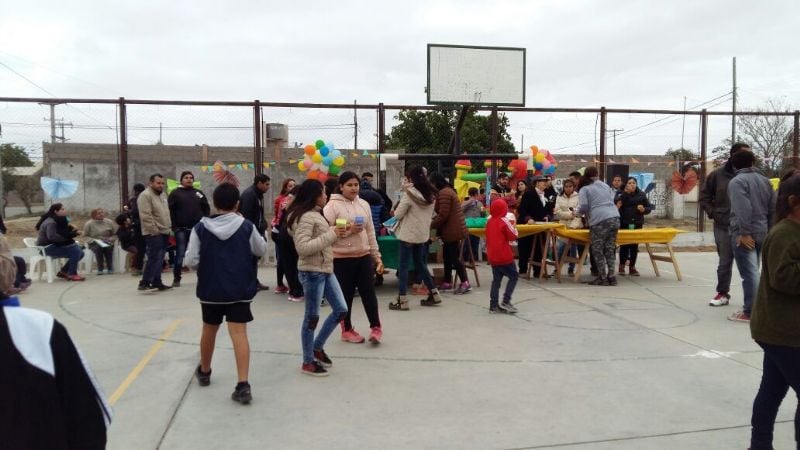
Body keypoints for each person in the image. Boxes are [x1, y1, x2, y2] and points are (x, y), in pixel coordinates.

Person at [0, 236, 111, 449]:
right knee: (76, 251)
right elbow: (88, 420)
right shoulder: (36, 329)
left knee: (77, 250)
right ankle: (69, 271)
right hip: (53, 248)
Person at [182, 183, 266, 403]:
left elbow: (191, 260)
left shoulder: (200, 227)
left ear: (214, 203)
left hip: (210, 289)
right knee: (239, 333)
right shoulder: (246, 226)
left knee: (209, 329)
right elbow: (261, 249)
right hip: (239, 288)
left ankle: (205, 371)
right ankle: (243, 385)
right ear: (237, 204)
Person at [747, 172, 800, 449]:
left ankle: (759, 445)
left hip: (783, 330)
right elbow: (784, 278)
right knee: (772, 391)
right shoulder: (783, 234)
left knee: (772, 389)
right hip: (782, 331)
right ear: (793, 202)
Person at [286, 179, 349, 376]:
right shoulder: (306, 217)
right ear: (315, 195)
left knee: (341, 309)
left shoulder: (315, 214)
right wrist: (331, 234)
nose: (326, 195)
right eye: (323, 192)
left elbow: (322, 241)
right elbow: (303, 248)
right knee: (312, 317)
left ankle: (317, 347)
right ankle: (308, 361)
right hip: (312, 272)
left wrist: (337, 233)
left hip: (325, 269)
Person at [323, 171, 384, 344]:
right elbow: (324, 232)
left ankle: (376, 327)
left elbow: (370, 231)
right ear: (341, 187)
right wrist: (349, 229)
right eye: (349, 185)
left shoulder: (364, 204)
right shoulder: (331, 206)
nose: (354, 188)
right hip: (341, 258)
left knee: (369, 293)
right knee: (345, 296)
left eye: (356, 184)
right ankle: (347, 330)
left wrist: (376, 256)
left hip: (363, 255)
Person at [699, 142, 752, 307]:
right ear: (733, 156)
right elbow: (704, 197)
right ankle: (722, 293)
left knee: (750, 264)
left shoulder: (754, 176)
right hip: (723, 225)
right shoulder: (717, 175)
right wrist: (713, 213)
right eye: (744, 154)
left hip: (747, 228)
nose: (749, 157)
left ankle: (753, 300)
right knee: (724, 262)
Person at [726, 150, 776, 322]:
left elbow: (743, 208)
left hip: (745, 233)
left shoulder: (737, 182)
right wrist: (770, 230)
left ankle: (751, 312)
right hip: (763, 230)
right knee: (756, 271)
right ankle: (759, 308)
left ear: (734, 165)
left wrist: (744, 233)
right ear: (753, 162)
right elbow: (772, 208)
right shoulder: (765, 180)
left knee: (750, 274)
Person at [390, 166, 443, 311]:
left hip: (408, 235)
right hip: (422, 235)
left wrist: (403, 192)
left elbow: (397, 215)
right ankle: (434, 293)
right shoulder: (431, 195)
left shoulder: (409, 195)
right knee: (420, 264)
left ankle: (402, 299)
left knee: (403, 266)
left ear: (411, 179)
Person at [577, 166, 620, 286]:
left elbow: (584, 206)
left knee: (597, 249)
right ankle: (612, 277)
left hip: (599, 220)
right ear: (597, 174)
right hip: (615, 217)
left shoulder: (585, 189)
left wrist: (576, 213)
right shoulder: (605, 186)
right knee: (610, 249)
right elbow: (611, 200)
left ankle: (602, 277)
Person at [430, 172, 471, 294]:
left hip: (452, 230)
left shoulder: (444, 193)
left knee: (454, 257)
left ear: (436, 183)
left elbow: (443, 214)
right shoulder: (446, 191)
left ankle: (465, 282)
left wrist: (431, 225)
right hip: (451, 229)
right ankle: (447, 282)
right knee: (447, 257)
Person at [168, 171, 210, 288]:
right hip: (181, 229)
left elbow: (206, 208)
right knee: (180, 254)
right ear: (181, 180)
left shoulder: (198, 193)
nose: (189, 179)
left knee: (201, 253)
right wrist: (174, 226)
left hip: (197, 229)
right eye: (186, 177)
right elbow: (170, 211)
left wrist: (205, 221)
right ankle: (176, 278)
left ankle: (203, 278)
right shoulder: (175, 193)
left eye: (191, 177)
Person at [137, 173, 172, 291]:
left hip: (164, 231)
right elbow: (146, 215)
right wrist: (154, 230)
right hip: (154, 233)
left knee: (160, 258)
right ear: (151, 183)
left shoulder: (163, 195)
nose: (161, 185)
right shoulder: (145, 195)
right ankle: (145, 282)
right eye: (158, 183)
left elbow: (165, 213)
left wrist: (168, 228)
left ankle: (157, 281)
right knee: (153, 257)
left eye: (162, 183)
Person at [35, 203, 86, 282]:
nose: (65, 210)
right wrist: (66, 240)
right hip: (46, 248)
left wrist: (70, 229)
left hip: (52, 245)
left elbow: (61, 233)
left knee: (81, 253)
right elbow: (52, 237)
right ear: (56, 211)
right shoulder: (51, 222)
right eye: (62, 209)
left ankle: (64, 271)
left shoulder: (55, 220)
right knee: (76, 251)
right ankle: (72, 274)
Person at [485, 198, 519, 314]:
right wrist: (515, 228)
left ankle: (493, 305)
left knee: (496, 281)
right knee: (514, 276)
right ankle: (506, 301)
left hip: (493, 256)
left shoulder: (489, 221)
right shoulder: (504, 221)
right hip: (504, 256)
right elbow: (513, 235)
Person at [239, 174, 271, 291]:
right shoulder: (250, 195)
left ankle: (253, 282)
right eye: (266, 184)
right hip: (251, 233)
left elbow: (258, 214)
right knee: (250, 259)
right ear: (259, 183)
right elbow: (246, 216)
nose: (268, 187)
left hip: (256, 231)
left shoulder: (257, 195)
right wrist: (254, 231)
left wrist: (263, 224)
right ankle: (250, 283)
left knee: (253, 259)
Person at [616, 177, 653, 276]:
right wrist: (625, 193)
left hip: (637, 223)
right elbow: (617, 204)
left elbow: (649, 207)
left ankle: (632, 267)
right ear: (626, 185)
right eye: (629, 183)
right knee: (624, 245)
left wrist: (644, 209)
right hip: (625, 222)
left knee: (634, 246)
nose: (632, 185)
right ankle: (622, 266)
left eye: (633, 183)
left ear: (636, 184)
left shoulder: (642, 194)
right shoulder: (621, 193)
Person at [516, 175, 551, 278]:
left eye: (546, 181)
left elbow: (549, 209)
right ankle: (522, 270)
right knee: (524, 248)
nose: (545, 183)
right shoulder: (529, 193)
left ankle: (537, 271)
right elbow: (522, 209)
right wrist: (528, 218)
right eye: (543, 181)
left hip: (540, 225)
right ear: (537, 183)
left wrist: (547, 216)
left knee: (539, 248)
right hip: (527, 225)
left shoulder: (546, 194)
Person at [276, 186, 304, 302]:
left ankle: (293, 291)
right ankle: (297, 292)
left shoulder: (286, 203)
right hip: (290, 237)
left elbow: (279, 220)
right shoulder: (299, 207)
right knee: (293, 265)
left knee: (288, 265)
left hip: (283, 236)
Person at [271, 178, 296, 294]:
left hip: (283, 231)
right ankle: (280, 284)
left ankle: (290, 285)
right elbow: (278, 216)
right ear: (285, 188)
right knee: (282, 259)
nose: (292, 188)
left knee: (286, 260)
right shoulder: (282, 199)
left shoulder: (293, 199)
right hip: (280, 231)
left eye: (294, 185)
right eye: (290, 186)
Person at [555, 179, 582, 275]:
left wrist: (573, 227)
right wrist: (570, 215)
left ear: (573, 187)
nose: (568, 188)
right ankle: (557, 267)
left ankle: (571, 268)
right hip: (563, 225)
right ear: (563, 187)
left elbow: (579, 213)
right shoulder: (559, 197)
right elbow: (558, 212)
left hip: (574, 226)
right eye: (566, 186)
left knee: (573, 248)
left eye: (570, 186)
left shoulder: (578, 197)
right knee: (561, 247)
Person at [83, 208, 116, 275]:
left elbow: (115, 234)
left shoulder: (109, 222)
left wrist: (111, 239)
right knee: (98, 249)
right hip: (94, 242)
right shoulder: (89, 224)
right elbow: (85, 236)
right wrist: (93, 240)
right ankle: (100, 268)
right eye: (99, 213)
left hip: (107, 241)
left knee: (108, 248)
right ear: (93, 215)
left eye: (102, 212)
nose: (101, 214)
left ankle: (110, 268)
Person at [126, 183, 146, 275]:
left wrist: (128, 211)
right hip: (146, 225)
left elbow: (135, 211)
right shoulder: (146, 198)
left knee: (140, 248)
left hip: (138, 226)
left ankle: (138, 268)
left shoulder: (135, 200)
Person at [462, 187, 483, 262]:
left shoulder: (479, 203)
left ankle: (472, 259)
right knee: (466, 243)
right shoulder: (465, 202)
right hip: (468, 226)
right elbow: (461, 209)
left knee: (475, 243)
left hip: (477, 226)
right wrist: (470, 201)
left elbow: (482, 213)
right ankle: (463, 258)